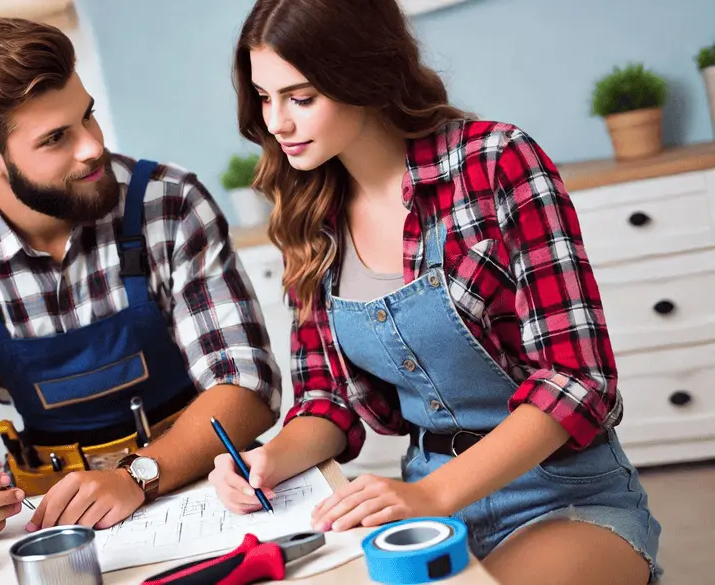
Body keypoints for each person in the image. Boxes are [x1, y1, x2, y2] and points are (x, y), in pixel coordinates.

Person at [207, 1, 662, 584]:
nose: (277, 124)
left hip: (562, 492)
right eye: (264, 98)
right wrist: (268, 460)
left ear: (364, 76)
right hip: (425, 500)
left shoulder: (496, 162)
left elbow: (577, 380)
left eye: (301, 98)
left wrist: (434, 494)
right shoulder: (310, 213)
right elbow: (327, 398)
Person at [0, 17, 281, 543]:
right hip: (59, 526)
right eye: (56, 138)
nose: (92, 146)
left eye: (87, 115)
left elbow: (246, 384)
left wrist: (135, 477)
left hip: (208, 491)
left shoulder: (169, 204)